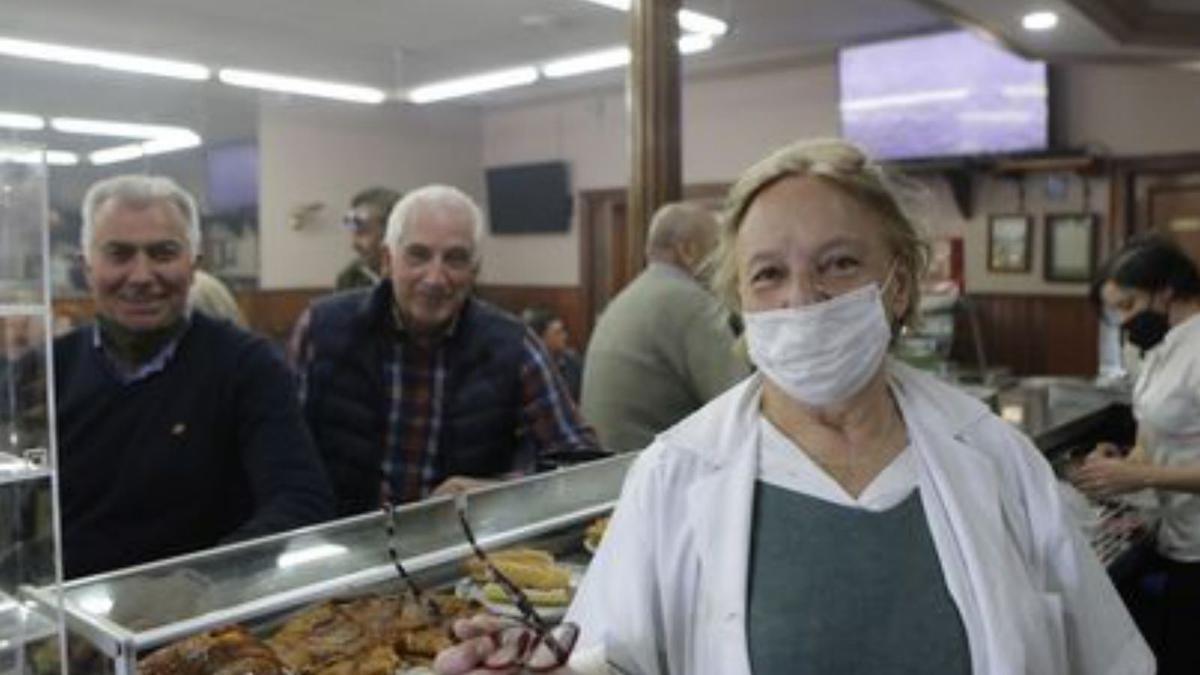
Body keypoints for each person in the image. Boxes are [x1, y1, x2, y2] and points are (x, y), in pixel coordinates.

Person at [435, 140, 1153, 674]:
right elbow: (607, 657)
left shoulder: (995, 460)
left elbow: (1107, 660)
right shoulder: (676, 475)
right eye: (769, 273)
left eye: (839, 263)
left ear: (899, 284)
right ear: (738, 302)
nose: (801, 299)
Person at [54, 175, 334, 578]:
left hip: (206, 625)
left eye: (163, 253)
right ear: (86, 268)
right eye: (119, 254)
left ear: (194, 265)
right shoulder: (45, 370)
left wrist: (193, 588)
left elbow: (301, 501)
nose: (141, 275)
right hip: (70, 624)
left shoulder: (249, 367)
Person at [294, 184, 601, 515]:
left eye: (455, 259)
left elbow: (586, 468)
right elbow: (281, 455)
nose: (435, 277)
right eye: (419, 255)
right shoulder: (321, 330)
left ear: (475, 270)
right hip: (342, 552)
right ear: (387, 260)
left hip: (462, 556)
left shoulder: (516, 347)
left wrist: (497, 492)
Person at [1071, 234, 1200, 674]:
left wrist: (1142, 477)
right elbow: (1154, 438)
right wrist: (1124, 460)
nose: (1124, 321)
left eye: (1128, 305)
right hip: (1178, 538)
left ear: (1165, 291)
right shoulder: (1161, 349)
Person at [580, 202, 747, 452]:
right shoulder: (691, 303)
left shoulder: (627, 297)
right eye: (717, 249)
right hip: (654, 473)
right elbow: (740, 407)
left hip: (604, 469)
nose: (724, 263)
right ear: (688, 250)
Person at [335, 187, 401, 290]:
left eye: (362, 232)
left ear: (391, 232)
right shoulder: (350, 277)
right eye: (353, 233)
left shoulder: (421, 275)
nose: (353, 244)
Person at [522, 306, 582, 402]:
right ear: (540, 338)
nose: (565, 336)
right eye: (558, 333)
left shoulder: (573, 362)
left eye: (563, 331)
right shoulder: (527, 367)